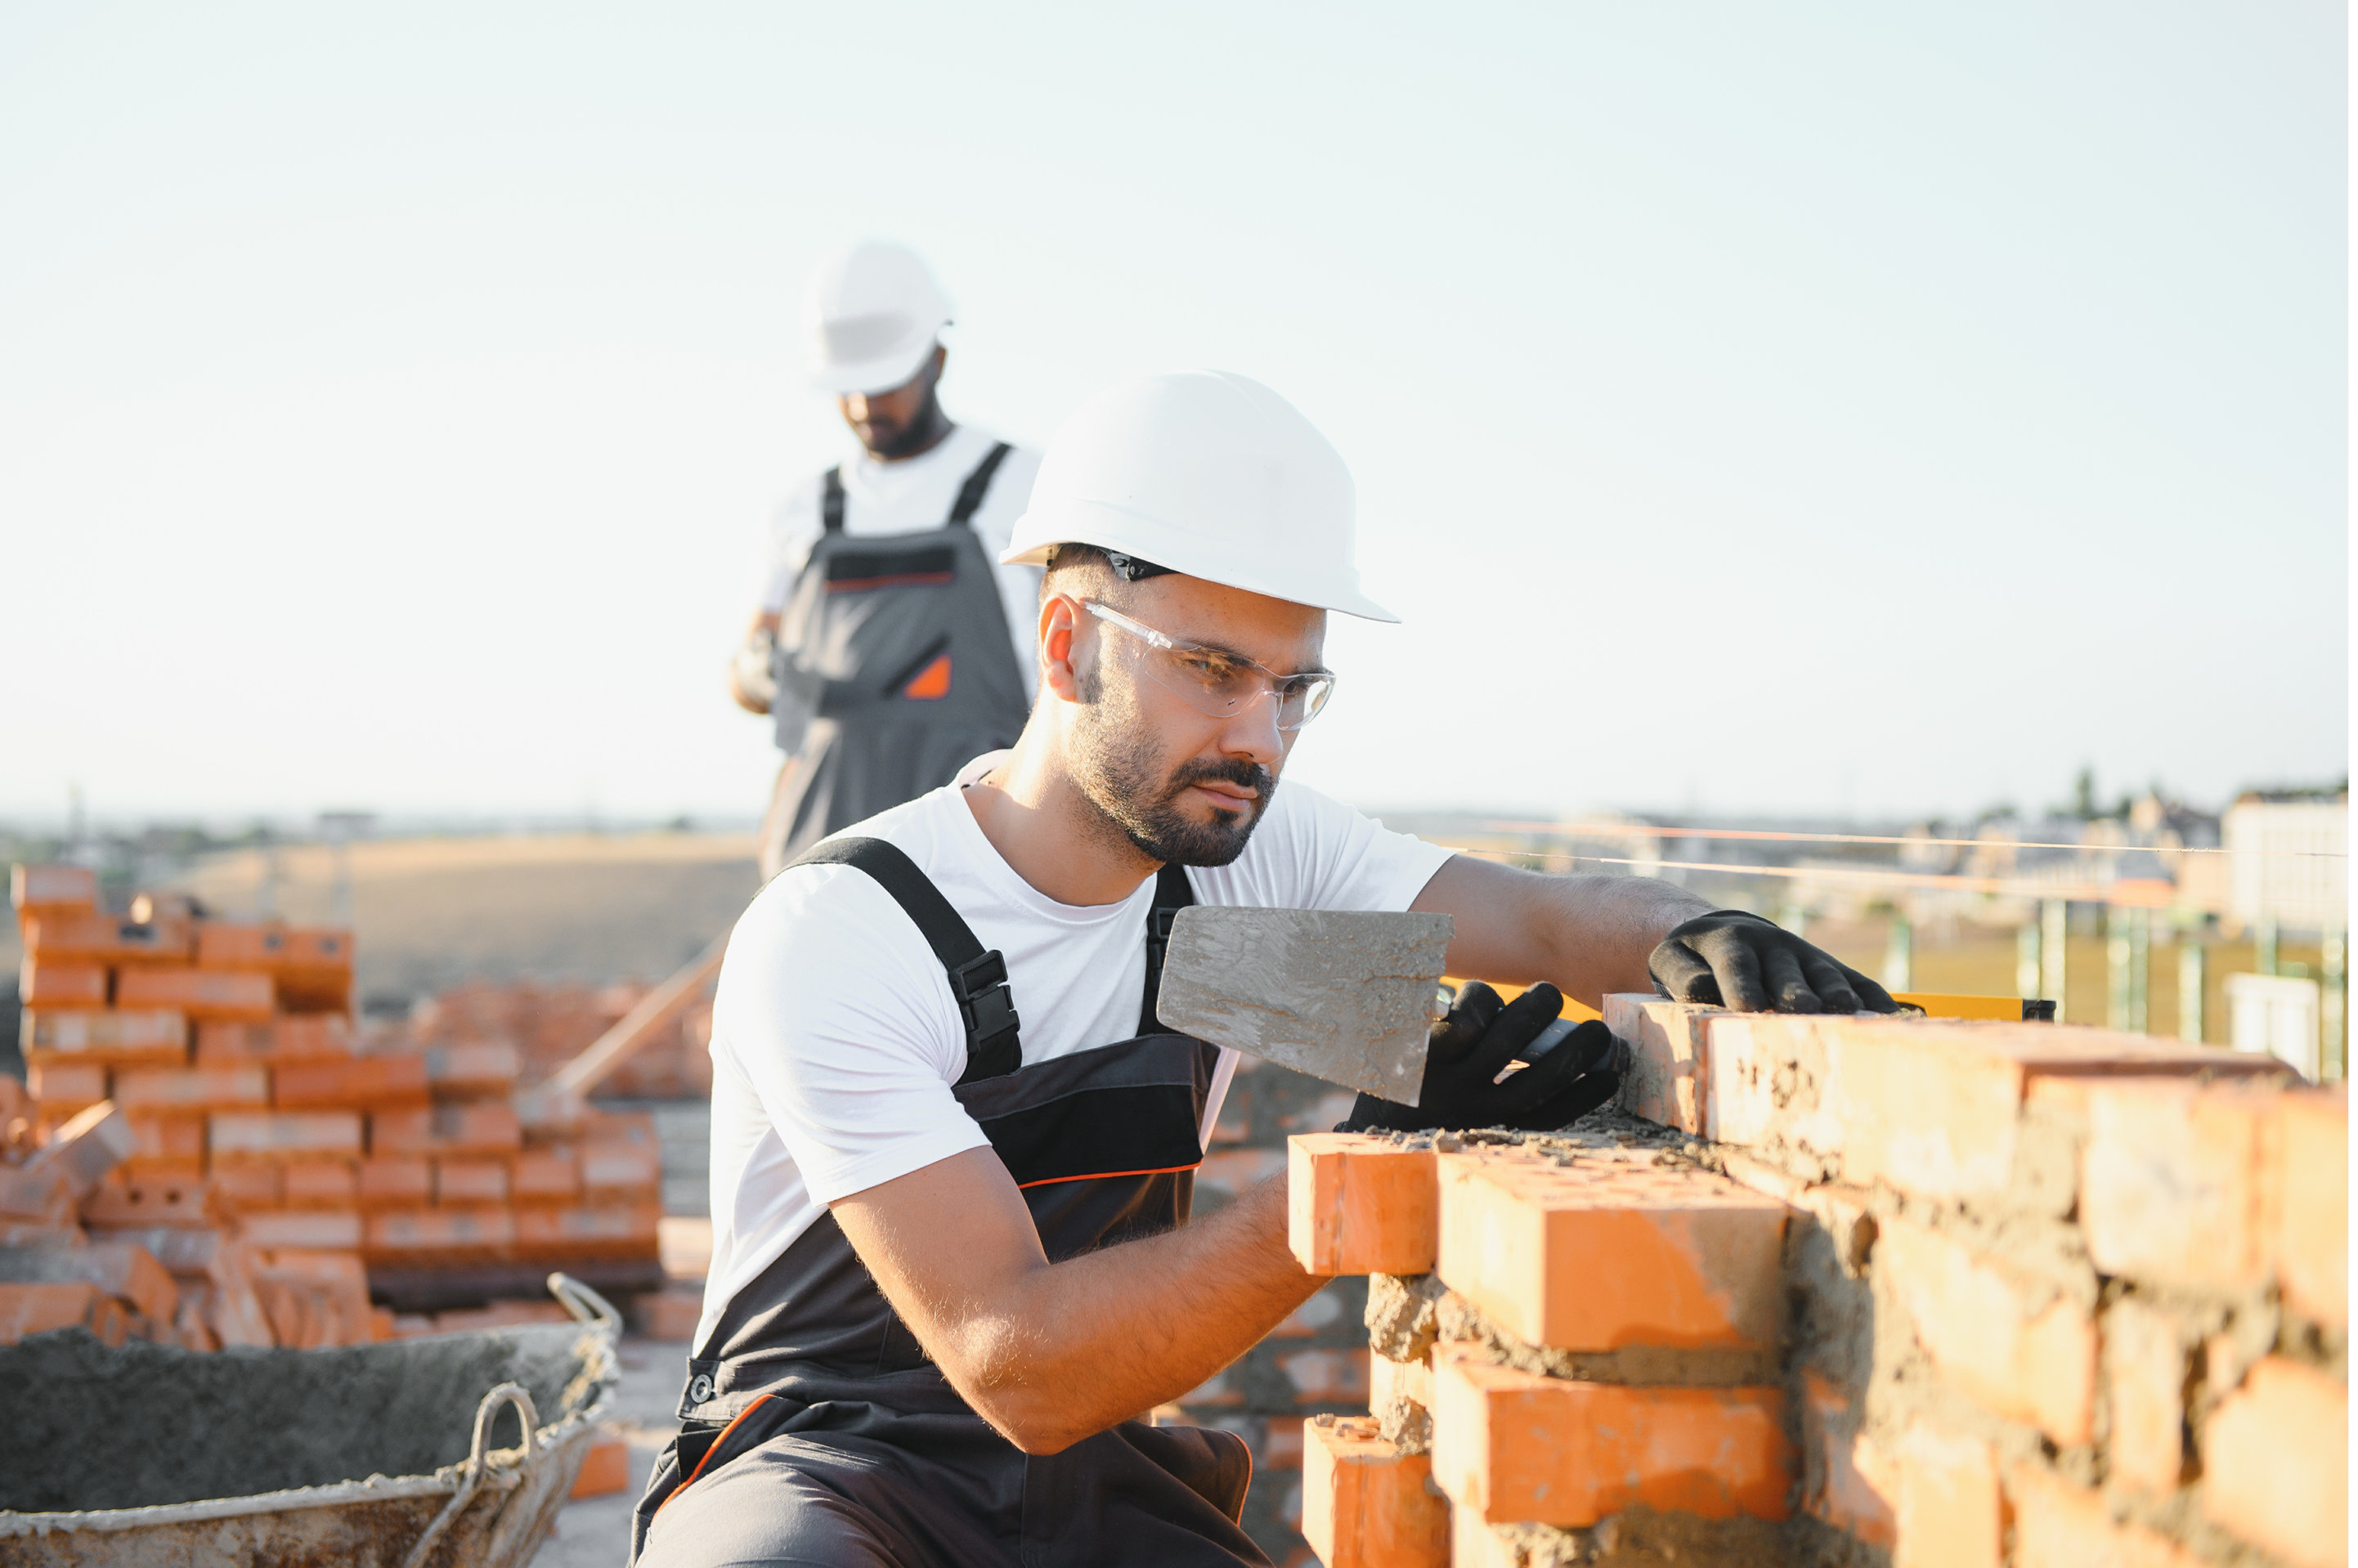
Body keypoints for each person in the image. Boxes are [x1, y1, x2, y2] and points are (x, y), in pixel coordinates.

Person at [643, 372, 1896, 1566]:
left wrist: (1710, 937)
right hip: (817, 1461)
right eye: (1211, 671)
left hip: (1083, 1469)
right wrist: (1356, 1182)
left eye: (1297, 686)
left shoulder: (1224, 877)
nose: (1260, 737)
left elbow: (1538, 925)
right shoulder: (844, 934)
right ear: (1070, 645)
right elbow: (1012, 1360)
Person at [729, 240, 1046, 880]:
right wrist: (761, 674)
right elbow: (749, 676)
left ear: (938, 357)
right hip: (823, 843)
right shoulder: (804, 509)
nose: (863, 406)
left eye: (883, 383)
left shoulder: (1024, 486)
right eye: (848, 387)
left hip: (977, 838)